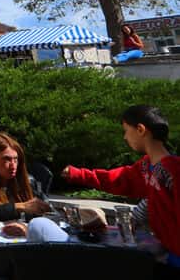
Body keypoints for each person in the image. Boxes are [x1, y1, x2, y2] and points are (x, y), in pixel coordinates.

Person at [62, 105, 180, 269]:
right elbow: (117, 179)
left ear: (140, 129)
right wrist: (79, 174)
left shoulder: (173, 169)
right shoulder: (146, 167)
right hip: (168, 253)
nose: (125, 137)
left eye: (126, 130)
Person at [0, 130, 62, 273]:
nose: (13, 165)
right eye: (6, 159)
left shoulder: (26, 179)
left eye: (16, 159)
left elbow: (47, 212)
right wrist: (19, 207)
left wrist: (28, 229)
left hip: (28, 243)